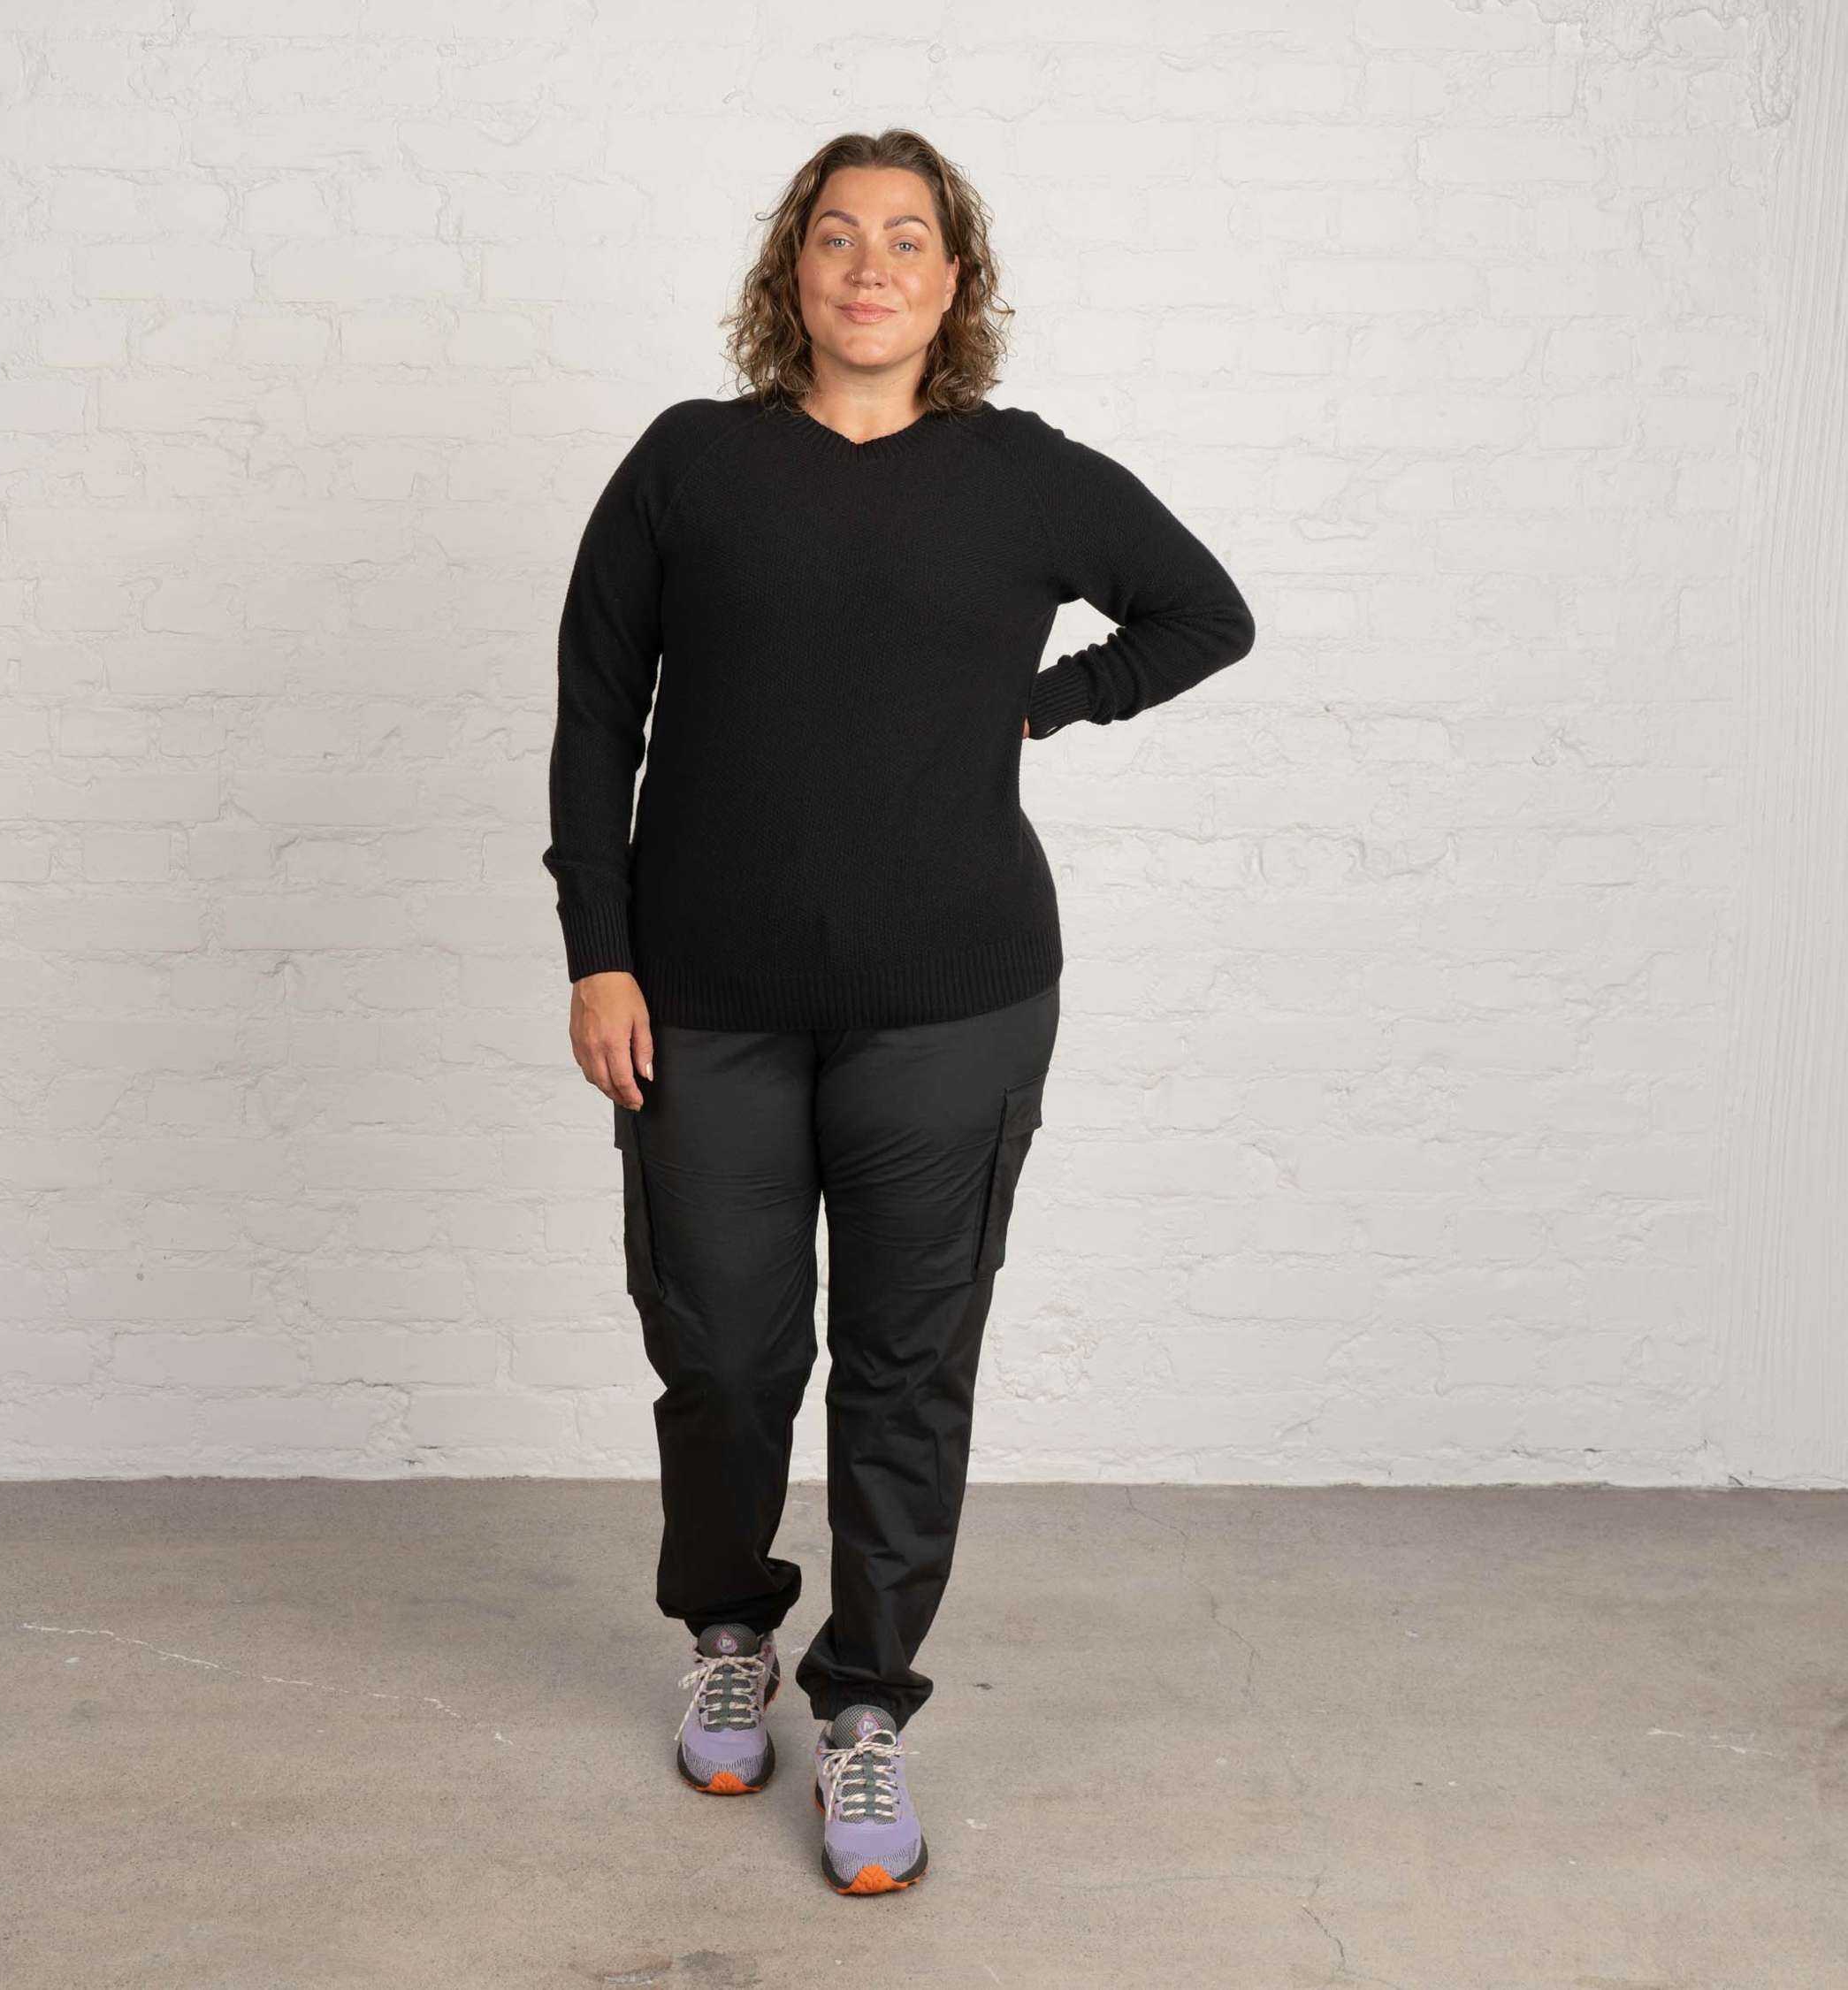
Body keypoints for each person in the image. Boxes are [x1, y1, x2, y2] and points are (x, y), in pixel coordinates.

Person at [541, 128, 1255, 1897]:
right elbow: (593, 714)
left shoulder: (1022, 476)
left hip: (954, 1002)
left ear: (955, 282)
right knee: (722, 1356)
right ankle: (731, 1628)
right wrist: (598, 951)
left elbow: (1206, 614)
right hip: (702, 1001)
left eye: (909, 239)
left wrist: (1050, 702)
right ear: (792, 270)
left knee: (906, 1363)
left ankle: (863, 1703)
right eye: (839, 235)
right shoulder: (690, 463)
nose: (872, 266)